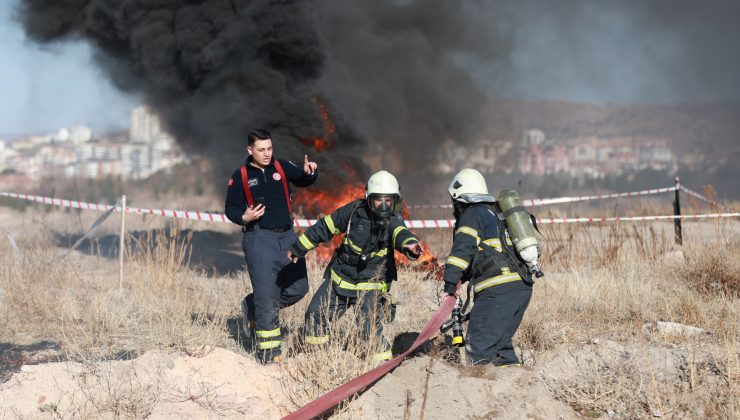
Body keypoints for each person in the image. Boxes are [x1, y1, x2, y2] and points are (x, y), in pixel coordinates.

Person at [287, 170, 423, 362]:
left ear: (394, 201)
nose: (383, 205)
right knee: (315, 314)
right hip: (341, 278)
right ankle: (317, 359)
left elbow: (401, 232)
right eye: (378, 200)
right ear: (369, 198)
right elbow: (324, 227)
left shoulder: (394, 219)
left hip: (370, 284)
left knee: (369, 332)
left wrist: (410, 244)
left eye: (388, 200)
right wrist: (299, 248)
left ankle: (382, 370)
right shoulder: (353, 212)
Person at [224, 129, 318, 364]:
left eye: (269, 149)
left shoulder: (281, 166)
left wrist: (309, 173)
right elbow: (230, 208)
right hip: (259, 239)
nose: (267, 154)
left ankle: (252, 303)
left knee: (299, 287)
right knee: (266, 299)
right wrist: (243, 217)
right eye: (261, 150)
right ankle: (269, 354)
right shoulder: (241, 176)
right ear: (250, 150)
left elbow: (302, 179)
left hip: (287, 237)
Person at [442, 168, 534, 366]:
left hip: (497, 291)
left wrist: (450, 284)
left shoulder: (472, 214)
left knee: (479, 346)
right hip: (521, 289)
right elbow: (487, 252)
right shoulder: (495, 212)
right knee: (501, 347)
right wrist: (463, 277)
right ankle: (513, 386)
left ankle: (479, 391)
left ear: (458, 199)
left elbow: (461, 252)